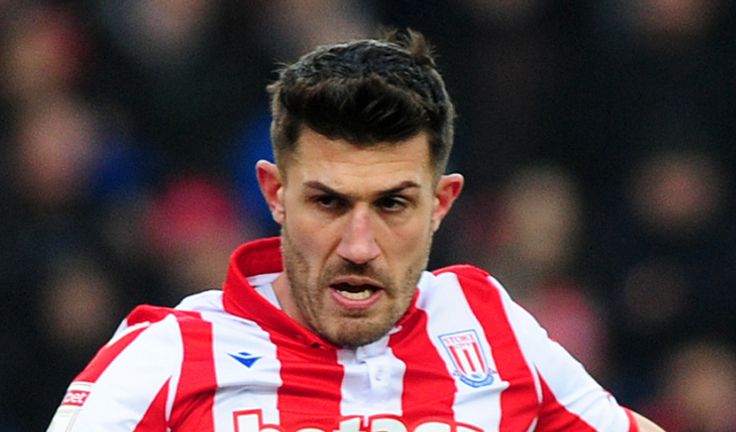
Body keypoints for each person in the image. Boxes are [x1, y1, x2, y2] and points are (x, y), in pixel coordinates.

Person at [47, 30, 664, 432]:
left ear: (441, 204)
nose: (360, 246)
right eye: (329, 203)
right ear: (276, 195)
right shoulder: (168, 358)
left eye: (393, 204)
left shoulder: (489, 327)